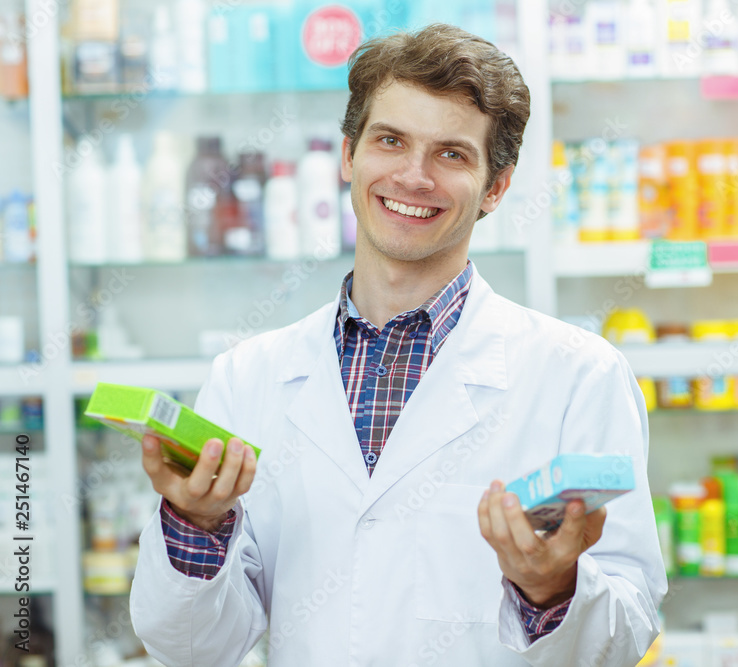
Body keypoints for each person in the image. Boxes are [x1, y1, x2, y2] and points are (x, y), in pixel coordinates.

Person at [130, 23, 667, 667]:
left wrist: (551, 589)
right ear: (349, 155)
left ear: (496, 187)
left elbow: (626, 636)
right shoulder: (248, 377)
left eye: (452, 154)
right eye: (391, 141)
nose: (414, 177)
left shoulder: (580, 374)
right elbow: (191, 649)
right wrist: (195, 526)